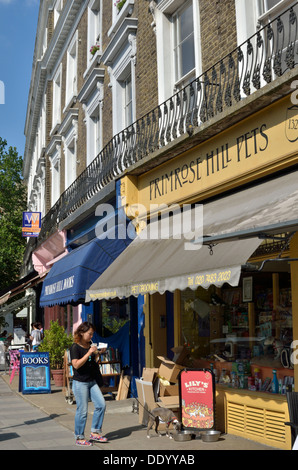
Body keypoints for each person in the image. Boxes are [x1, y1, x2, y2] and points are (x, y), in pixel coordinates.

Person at [70, 321, 107, 447]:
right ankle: (79, 437)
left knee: (101, 405)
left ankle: (95, 432)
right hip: (80, 383)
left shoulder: (90, 345)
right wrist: (89, 353)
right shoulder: (75, 347)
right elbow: (76, 365)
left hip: (92, 380)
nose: (91, 337)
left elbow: (91, 361)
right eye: (89, 334)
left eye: (92, 334)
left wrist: (98, 353)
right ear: (81, 332)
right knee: (82, 411)